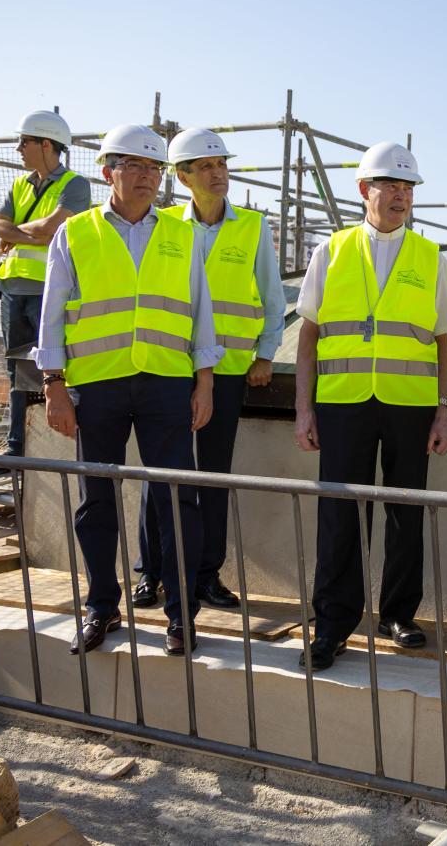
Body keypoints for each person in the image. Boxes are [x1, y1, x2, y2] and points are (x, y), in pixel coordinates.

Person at [34, 123, 223, 657]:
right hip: (97, 388)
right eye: (135, 166)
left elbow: (200, 313)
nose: (147, 177)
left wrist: (203, 381)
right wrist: (54, 386)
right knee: (97, 501)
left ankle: (183, 616)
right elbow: (51, 317)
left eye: (155, 168)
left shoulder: (181, 235)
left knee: (176, 499)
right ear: (107, 171)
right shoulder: (76, 233)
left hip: (166, 385)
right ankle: (100, 607)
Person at [292, 141, 447, 671]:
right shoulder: (332, 251)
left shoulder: (430, 257)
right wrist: (304, 407)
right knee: (339, 514)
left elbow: (440, 339)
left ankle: (398, 615)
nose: (400, 196)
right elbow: (309, 334)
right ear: (364, 190)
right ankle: (334, 624)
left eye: (407, 188)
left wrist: (443, 408)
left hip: (410, 405)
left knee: (404, 512)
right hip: (343, 403)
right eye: (390, 185)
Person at [132, 128, 287, 611]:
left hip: (230, 370)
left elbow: (273, 297)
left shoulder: (253, 227)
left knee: (213, 475)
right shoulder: (165, 227)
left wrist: (265, 355)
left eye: (222, 164)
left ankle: (206, 575)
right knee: (161, 473)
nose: (219, 173)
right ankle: (152, 573)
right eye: (206, 166)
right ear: (181, 176)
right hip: (171, 367)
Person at [0, 111, 92, 475]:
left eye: (24, 142)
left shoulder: (76, 185)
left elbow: (50, 229)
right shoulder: (19, 184)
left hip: (50, 289)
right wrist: (24, 231)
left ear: (46, 144)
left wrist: (14, 233)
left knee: (55, 369)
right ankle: (16, 449)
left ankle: (54, 448)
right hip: (14, 287)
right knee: (18, 371)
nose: (18, 148)